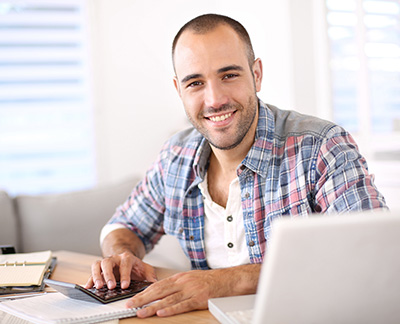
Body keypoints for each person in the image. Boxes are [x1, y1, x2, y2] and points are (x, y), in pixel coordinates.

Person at [85, 14, 387, 318]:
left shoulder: (321, 147)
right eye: (196, 83)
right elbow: (124, 226)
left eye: (229, 75)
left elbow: (375, 256)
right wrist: (121, 255)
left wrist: (225, 282)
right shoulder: (175, 155)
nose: (214, 100)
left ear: (256, 74)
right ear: (179, 90)